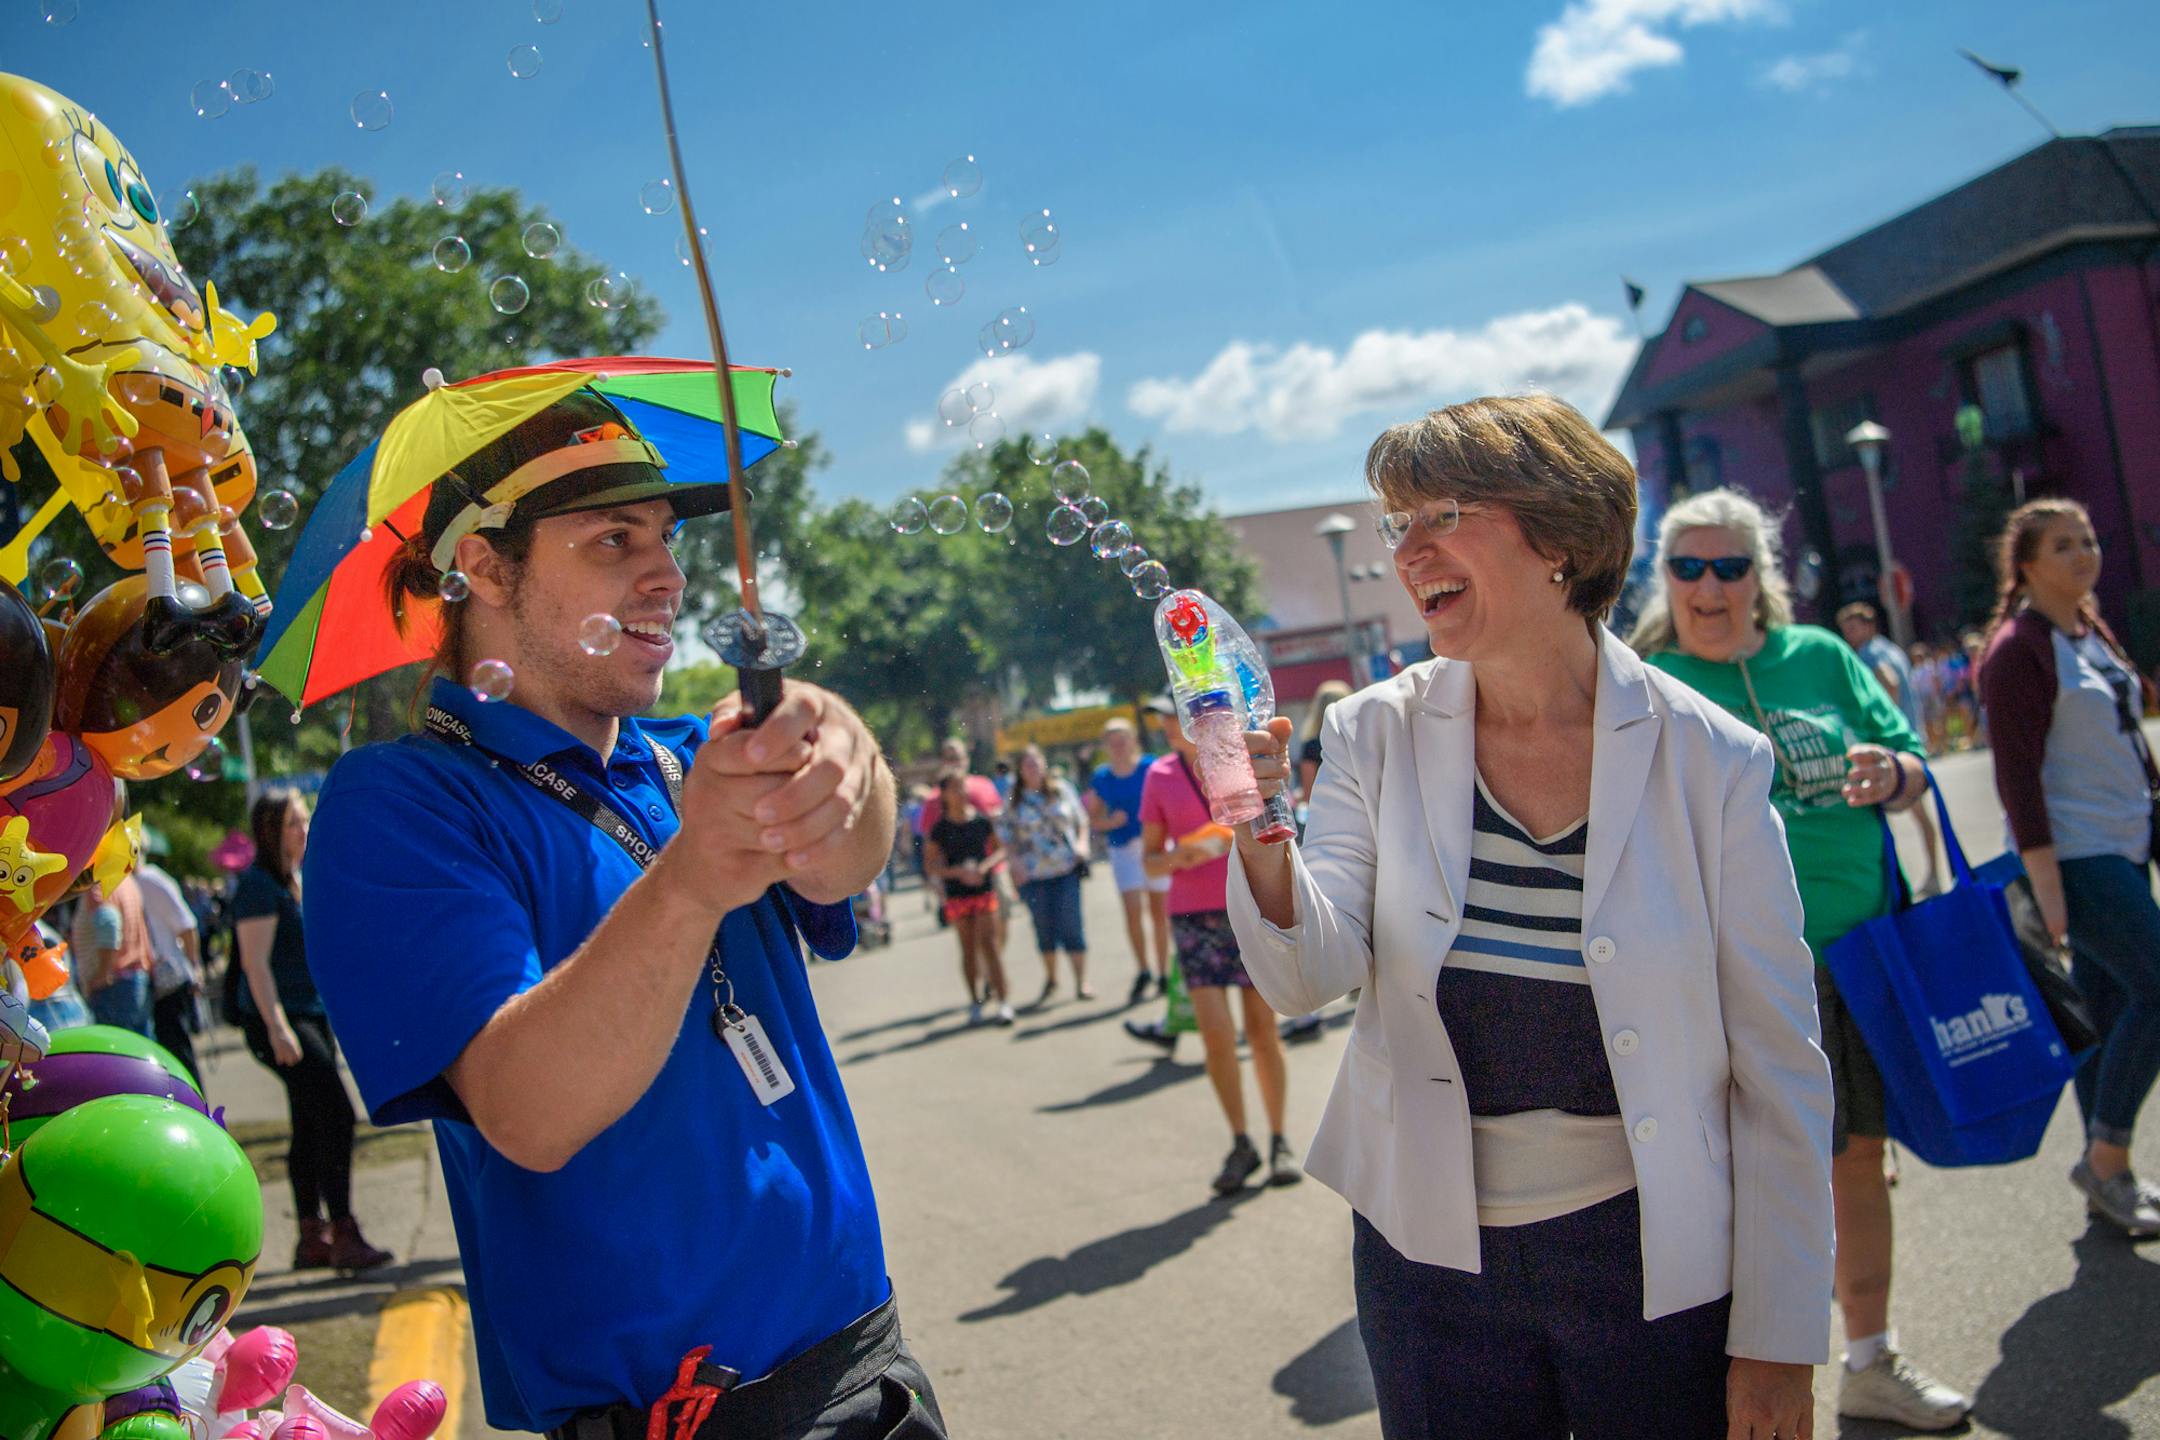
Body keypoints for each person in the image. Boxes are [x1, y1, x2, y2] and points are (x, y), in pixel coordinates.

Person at [303, 389, 944, 1439]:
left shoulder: (687, 751)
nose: (668, 575)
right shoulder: (400, 803)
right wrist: (693, 879)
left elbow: (840, 869)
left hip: (873, 1371)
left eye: (667, 537)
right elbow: (529, 1111)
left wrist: (846, 749)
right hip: (674, 1422)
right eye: (612, 539)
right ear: (484, 567)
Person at [1231, 398, 1833, 1440]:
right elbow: (1306, 974)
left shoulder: (1715, 760)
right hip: (1426, 1264)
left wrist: (1780, 1335)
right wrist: (1259, 826)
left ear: (1560, 537)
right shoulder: (1374, 732)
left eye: (1440, 515)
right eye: (1394, 525)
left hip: (1653, 1252)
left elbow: (1780, 1062)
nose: (1405, 553)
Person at [1631, 486, 1967, 1429]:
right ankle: (1737, 1379)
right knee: (1737, 1177)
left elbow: (1910, 756)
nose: (1708, 585)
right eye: (1687, 567)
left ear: (1758, 580)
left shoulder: (1817, 656)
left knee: (1856, 1159)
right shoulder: (1643, 680)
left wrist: (1895, 772)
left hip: (1855, 954)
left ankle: (1868, 1357)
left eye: (1729, 567)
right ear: (1666, 580)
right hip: (1727, 970)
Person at [1979, 498, 2160, 1237]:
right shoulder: (2017, 649)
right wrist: (2046, 886)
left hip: (2126, 844)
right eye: (2064, 544)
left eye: (2089, 538)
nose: (2084, 553)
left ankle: (2103, 1178)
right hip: (2079, 858)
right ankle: (2110, 1157)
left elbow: (2125, 738)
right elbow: (2017, 777)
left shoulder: (2088, 630)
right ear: (2026, 564)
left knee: (2107, 1012)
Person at [234, 790, 394, 1275]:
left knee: (309, 1121)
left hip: (309, 1012)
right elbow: (255, 965)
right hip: (283, 1018)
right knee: (338, 1114)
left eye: (305, 821)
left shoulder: (295, 880)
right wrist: (279, 1028)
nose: (304, 831)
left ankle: (311, 1238)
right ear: (270, 831)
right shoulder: (258, 886)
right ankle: (343, 1232)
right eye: (293, 824)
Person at [1142, 718, 1300, 1197]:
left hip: (1245, 904)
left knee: (1261, 1030)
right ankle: (1240, 1141)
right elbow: (1149, 860)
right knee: (1215, 1035)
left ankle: (1278, 1139)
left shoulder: (1240, 761)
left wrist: (1234, 838)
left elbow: (1274, 822)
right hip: (1193, 916)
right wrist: (1178, 858)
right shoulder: (1160, 777)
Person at [1838, 604, 1944, 895]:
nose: (1848, 634)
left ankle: (1910, 881)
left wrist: (1883, 724)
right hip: (1910, 740)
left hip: (1893, 748)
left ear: (1868, 626)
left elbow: (1890, 682)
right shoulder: (1892, 649)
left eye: (1852, 627)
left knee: (1894, 816)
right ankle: (1932, 873)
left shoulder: (1870, 654)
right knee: (1920, 815)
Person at [1086, 716, 1169, 1003]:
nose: (1119, 747)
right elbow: (1094, 820)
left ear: (1133, 740)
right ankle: (1143, 969)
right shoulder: (1102, 777)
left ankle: (1163, 972)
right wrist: (1112, 821)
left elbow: (1167, 803)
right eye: (1113, 743)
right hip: (1123, 849)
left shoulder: (1150, 767)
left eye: (1123, 740)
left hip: (1155, 845)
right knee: (1133, 911)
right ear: (1106, 747)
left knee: (1159, 912)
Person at [1001, 744, 1092, 1005]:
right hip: (1034, 874)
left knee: (1072, 924)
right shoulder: (1013, 798)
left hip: (1065, 868)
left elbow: (1081, 820)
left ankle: (1081, 981)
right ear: (1020, 769)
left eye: (1036, 763)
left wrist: (1083, 844)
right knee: (1044, 928)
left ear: (1044, 764)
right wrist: (1014, 861)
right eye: (1027, 764)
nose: (1033, 768)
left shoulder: (1061, 789)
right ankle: (1052, 978)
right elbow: (1005, 834)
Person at [928, 769, 1014, 1026]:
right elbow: (931, 865)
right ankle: (975, 1000)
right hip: (957, 893)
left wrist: (983, 868)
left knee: (990, 945)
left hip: (983, 889)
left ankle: (1004, 1001)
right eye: (954, 787)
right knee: (967, 948)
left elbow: (1000, 851)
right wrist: (957, 872)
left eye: (963, 786)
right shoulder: (940, 829)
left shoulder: (981, 821)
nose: (961, 792)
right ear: (944, 794)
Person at [135, 859, 205, 1083]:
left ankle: (197, 1106)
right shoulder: (135, 881)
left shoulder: (150, 880)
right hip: (155, 982)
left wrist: (194, 966)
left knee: (179, 1051)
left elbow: (186, 925)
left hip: (170, 980)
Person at [72, 874, 153, 1037]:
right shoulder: (126, 880)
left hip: (113, 986)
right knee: (141, 1051)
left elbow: (109, 921)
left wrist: (103, 973)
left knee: (121, 1052)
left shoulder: (99, 883)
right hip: (135, 979)